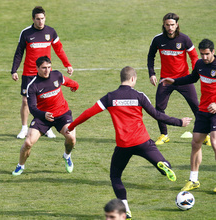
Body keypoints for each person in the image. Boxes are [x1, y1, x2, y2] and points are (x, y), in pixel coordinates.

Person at [67, 66, 192, 218]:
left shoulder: (110, 97)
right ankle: (162, 165)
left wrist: (72, 126)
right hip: (143, 142)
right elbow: (157, 115)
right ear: (133, 79)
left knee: (115, 176)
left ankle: (125, 208)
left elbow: (88, 113)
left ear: (122, 79)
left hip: (123, 145)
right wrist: (179, 122)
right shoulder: (139, 96)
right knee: (165, 164)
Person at [161, 39, 216, 192]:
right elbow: (192, 78)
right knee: (195, 143)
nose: (204, 57)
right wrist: (174, 81)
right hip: (203, 110)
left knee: (214, 142)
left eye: (207, 54)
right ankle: (193, 180)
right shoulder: (199, 64)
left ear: (213, 52)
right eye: (202, 54)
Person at [11, 6, 74, 139]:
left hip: (46, 72)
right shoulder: (26, 33)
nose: (41, 22)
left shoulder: (50, 32)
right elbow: (19, 52)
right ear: (33, 19)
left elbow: (59, 49)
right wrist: (14, 70)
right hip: (29, 73)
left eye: (43, 19)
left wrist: (67, 64)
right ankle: (24, 128)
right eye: (38, 19)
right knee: (26, 101)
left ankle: (46, 128)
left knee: (47, 99)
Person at [147, 12, 209, 146]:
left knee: (196, 107)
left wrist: (195, 73)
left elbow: (194, 56)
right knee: (159, 107)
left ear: (177, 25)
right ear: (163, 25)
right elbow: (150, 56)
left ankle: (204, 136)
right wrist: (152, 73)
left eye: (172, 25)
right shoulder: (158, 40)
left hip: (183, 79)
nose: (170, 27)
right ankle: (164, 135)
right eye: (167, 25)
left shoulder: (185, 39)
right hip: (166, 80)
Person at [12, 56, 78, 176]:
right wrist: (44, 115)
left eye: (48, 67)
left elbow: (67, 81)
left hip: (62, 114)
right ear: (37, 68)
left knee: (71, 139)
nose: (47, 70)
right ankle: (20, 166)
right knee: (28, 143)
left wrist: (75, 86)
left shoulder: (56, 75)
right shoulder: (32, 85)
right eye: (43, 68)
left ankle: (67, 156)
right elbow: (32, 108)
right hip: (43, 117)